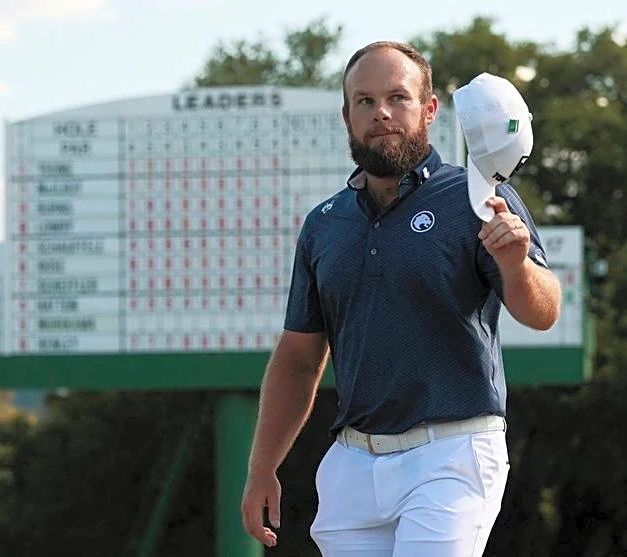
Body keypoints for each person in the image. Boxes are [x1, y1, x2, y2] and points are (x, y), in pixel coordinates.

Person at [240, 40, 562, 557]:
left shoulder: (475, 197)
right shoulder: (324, 225)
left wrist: (515, 262)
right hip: (353, 464)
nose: (381, 112)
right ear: (347, 116)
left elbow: (543, 312)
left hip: (452, 455)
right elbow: (299, 361)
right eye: (364, 101)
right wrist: (261, 469)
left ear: (429, 109)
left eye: (398, 97)